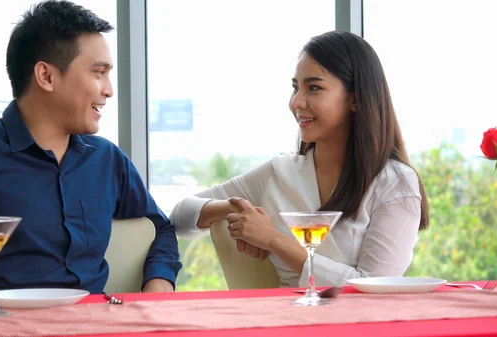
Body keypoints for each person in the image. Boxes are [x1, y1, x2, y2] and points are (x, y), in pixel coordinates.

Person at [0, 0, 181, 308]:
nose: (109, 90)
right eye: (98, 72)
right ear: (46, 76)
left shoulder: (108, 160)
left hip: (94, 327)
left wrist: (158, 284)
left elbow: (161, 228)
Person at [170, 30, 429, 288]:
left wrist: (274, 240)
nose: (296, 102)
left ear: (355, 98)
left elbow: (374, 288)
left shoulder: (395, 183)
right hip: (287, 320)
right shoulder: (280, 173)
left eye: (314, 88)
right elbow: (180, 216)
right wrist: (234, 208)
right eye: (296, 88)